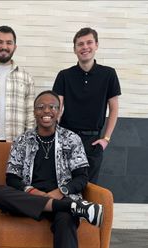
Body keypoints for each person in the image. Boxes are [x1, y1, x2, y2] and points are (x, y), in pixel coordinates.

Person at [0, 90, 103, 248]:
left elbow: (82, 177)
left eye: (52, 107)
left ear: (59, 112)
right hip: (30, 200)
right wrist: (34, 193)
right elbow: (12, 178)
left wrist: (61, 191)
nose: (47, 111)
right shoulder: (23, 140)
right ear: (34, 112)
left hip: (62, 198)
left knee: (66, 220)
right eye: (41, 107)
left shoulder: (71, 139)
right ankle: (72, 207)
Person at [52, 27, 121, 183]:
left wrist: (106, 139)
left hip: (93, 141)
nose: (85, 47)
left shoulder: (109, 74)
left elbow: (114, 107)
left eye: (89, 42)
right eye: (80, 44)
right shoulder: (64, 75)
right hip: (66, 139)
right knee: (65, 186)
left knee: (89, 189)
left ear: (96, 45)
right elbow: (57, 106)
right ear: (75, 49)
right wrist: (55, 137)